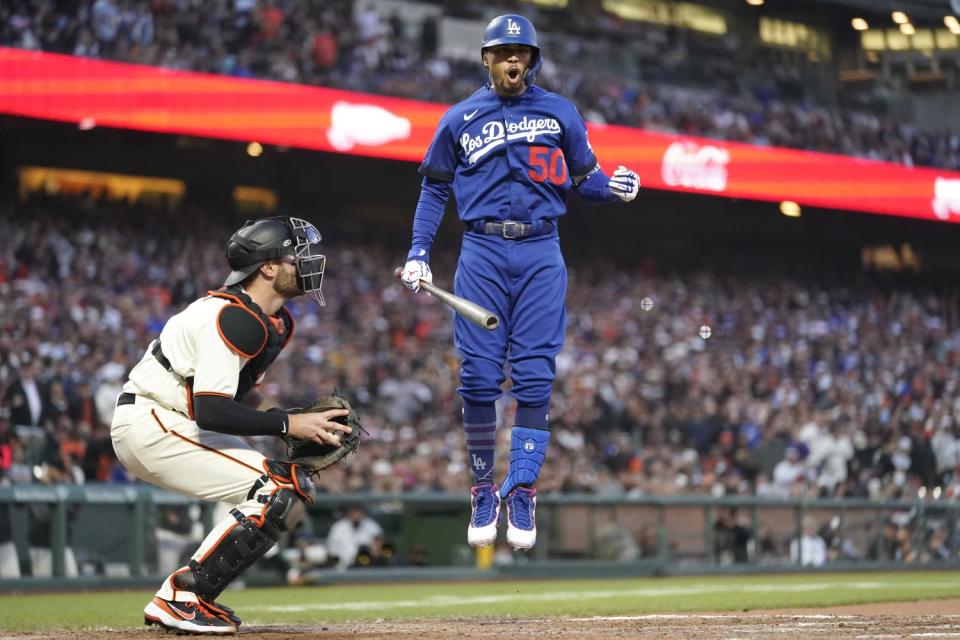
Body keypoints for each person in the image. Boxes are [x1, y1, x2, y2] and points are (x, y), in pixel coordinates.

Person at [400, 14, 640, 550]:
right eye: (503, 52)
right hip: (481, 249)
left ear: (532, 60)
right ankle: (484, 488)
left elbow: (586, 182)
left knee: (534, 377)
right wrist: (418, 251)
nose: (513, 60)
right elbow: (434, 189)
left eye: (522, 53)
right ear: (485, 58)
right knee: (479, 379)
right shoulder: (460, 117)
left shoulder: (559, 112)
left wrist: (616, 187)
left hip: (540, 248)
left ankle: (524, 490)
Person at [110, 216, 352, 635]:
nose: (309, 264)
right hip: (151, 420)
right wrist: (288, 423)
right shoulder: (231, 317)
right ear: (269, 267)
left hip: (173, 421)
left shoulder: (270, 321)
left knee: (292, 487)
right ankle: (181, 596)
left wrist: (297, 423)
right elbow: (213, 411)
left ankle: (194, 596)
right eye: (298, 256)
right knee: (277, 490)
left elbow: (238, 395)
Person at [325, 504, 384, 570]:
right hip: (343, 567)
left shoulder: (372, 526)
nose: (356, 515)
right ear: (348, 513)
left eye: (358, 512)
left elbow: (379, 547)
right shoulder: (338, 527)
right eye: (353, 512)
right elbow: (331, 550)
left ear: (363, 513)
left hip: (368, 565)